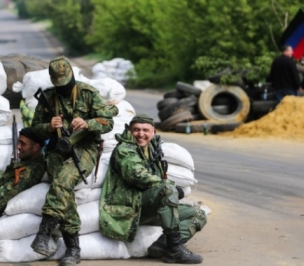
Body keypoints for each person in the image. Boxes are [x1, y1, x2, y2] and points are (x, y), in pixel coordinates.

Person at [30, 56, 118, 266]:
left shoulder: (88, 93)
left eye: (66, 83)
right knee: (63, 188)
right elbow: (35, 128)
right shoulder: (48, 98)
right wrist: (49, 127)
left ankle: (45, 232)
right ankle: (73, 248)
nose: (63, 88)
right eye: (59, 84)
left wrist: (87, 123)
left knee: (62, 181)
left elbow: (108, 122)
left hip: (85, 147)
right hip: (58, 148)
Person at [99, 113, 207, 264]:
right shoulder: (125, 150)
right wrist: (173, 188)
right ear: (130, 131)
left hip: (151, 205)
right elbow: (137, 174)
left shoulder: (153, 149)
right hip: (129, 206)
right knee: (167, 190)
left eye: (145, 130)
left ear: (153, 132)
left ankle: (164, 246)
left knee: (198, 214)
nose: (141, 134)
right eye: (136, 130)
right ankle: (176, 249)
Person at [0, 127, 46, 215]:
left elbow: (3, 198)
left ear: (36, 147)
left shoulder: (29, 172)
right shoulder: (27, 161)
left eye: (23, 144)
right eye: (18, 142)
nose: (18, 146)